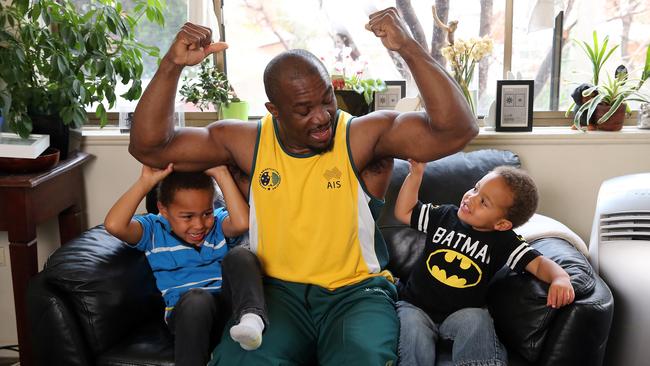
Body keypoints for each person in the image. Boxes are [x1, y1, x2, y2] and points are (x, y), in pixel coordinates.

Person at [129, 7, 478, 365]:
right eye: (303, 108)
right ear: (273, 109)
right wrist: (171, 64)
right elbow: (150, 148)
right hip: (277, 294)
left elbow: (457, 131)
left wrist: (409, 48)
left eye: (326, 98)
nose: (322, 115)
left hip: (355, 293)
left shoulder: (361, 137)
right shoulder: (246, 142)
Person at [394, 161, 576, 366]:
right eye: (475, 188)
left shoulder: (504, 241)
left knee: (477, 319)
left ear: (501, 224)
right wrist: (415, 175)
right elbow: (405, 212)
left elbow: (539, 264)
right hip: (416, 306)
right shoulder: (444, 216)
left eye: (483, 202)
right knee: (412, 333)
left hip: (460, 314)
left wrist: (560, 278)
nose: (471, 198)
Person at [104, 164, 268, 366]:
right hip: (189, 316)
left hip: (228, 311)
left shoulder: (218, 223)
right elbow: (114, 225)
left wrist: (221, 173)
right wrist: (145, 183)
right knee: (198, 300)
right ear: (163, 209)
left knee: (240, 256)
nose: (199, 225)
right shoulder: (153, 230)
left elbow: (243, 223)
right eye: (187, 216)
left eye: (206, 213)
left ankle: (252, 319)